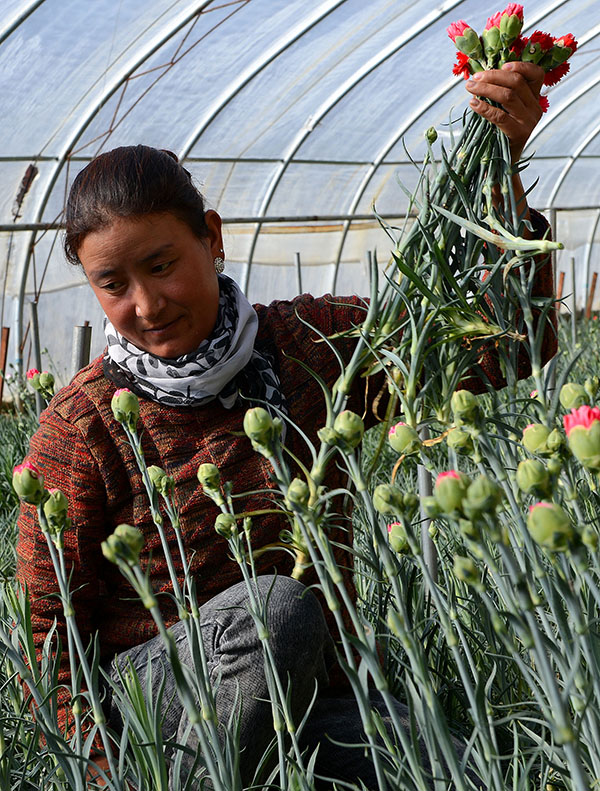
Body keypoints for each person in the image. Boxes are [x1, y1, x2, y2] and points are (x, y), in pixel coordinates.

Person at [16, 62, 556, 788]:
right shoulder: (82, 428)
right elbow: (51, 646)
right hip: (156, 721)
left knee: (447, 765)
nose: (145, 305)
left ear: (211, 237)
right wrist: (107, 776)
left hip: (310, 699)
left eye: (160, 264)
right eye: (113, 285)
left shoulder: (314, 348)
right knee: (276, 608)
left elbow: (506, 349)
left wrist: (502, 169)